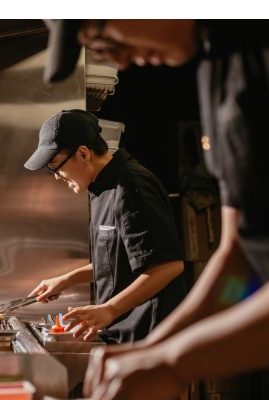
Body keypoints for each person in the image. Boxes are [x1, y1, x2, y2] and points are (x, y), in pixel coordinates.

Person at [43, 20, 269, 399]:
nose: (118, 58)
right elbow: (241, 260)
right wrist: (150, 351)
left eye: (102, 38)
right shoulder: (216, 69)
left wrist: (173, 360)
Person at [25, 109, 186, 343]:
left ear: (83, 153)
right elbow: (118, 261)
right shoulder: (100, 187)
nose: (57, 176)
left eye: (56, 165)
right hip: (123, 334)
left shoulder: (130, 186)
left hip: (149, 336)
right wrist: (65, 280)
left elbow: (168, 266)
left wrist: (110, 308)